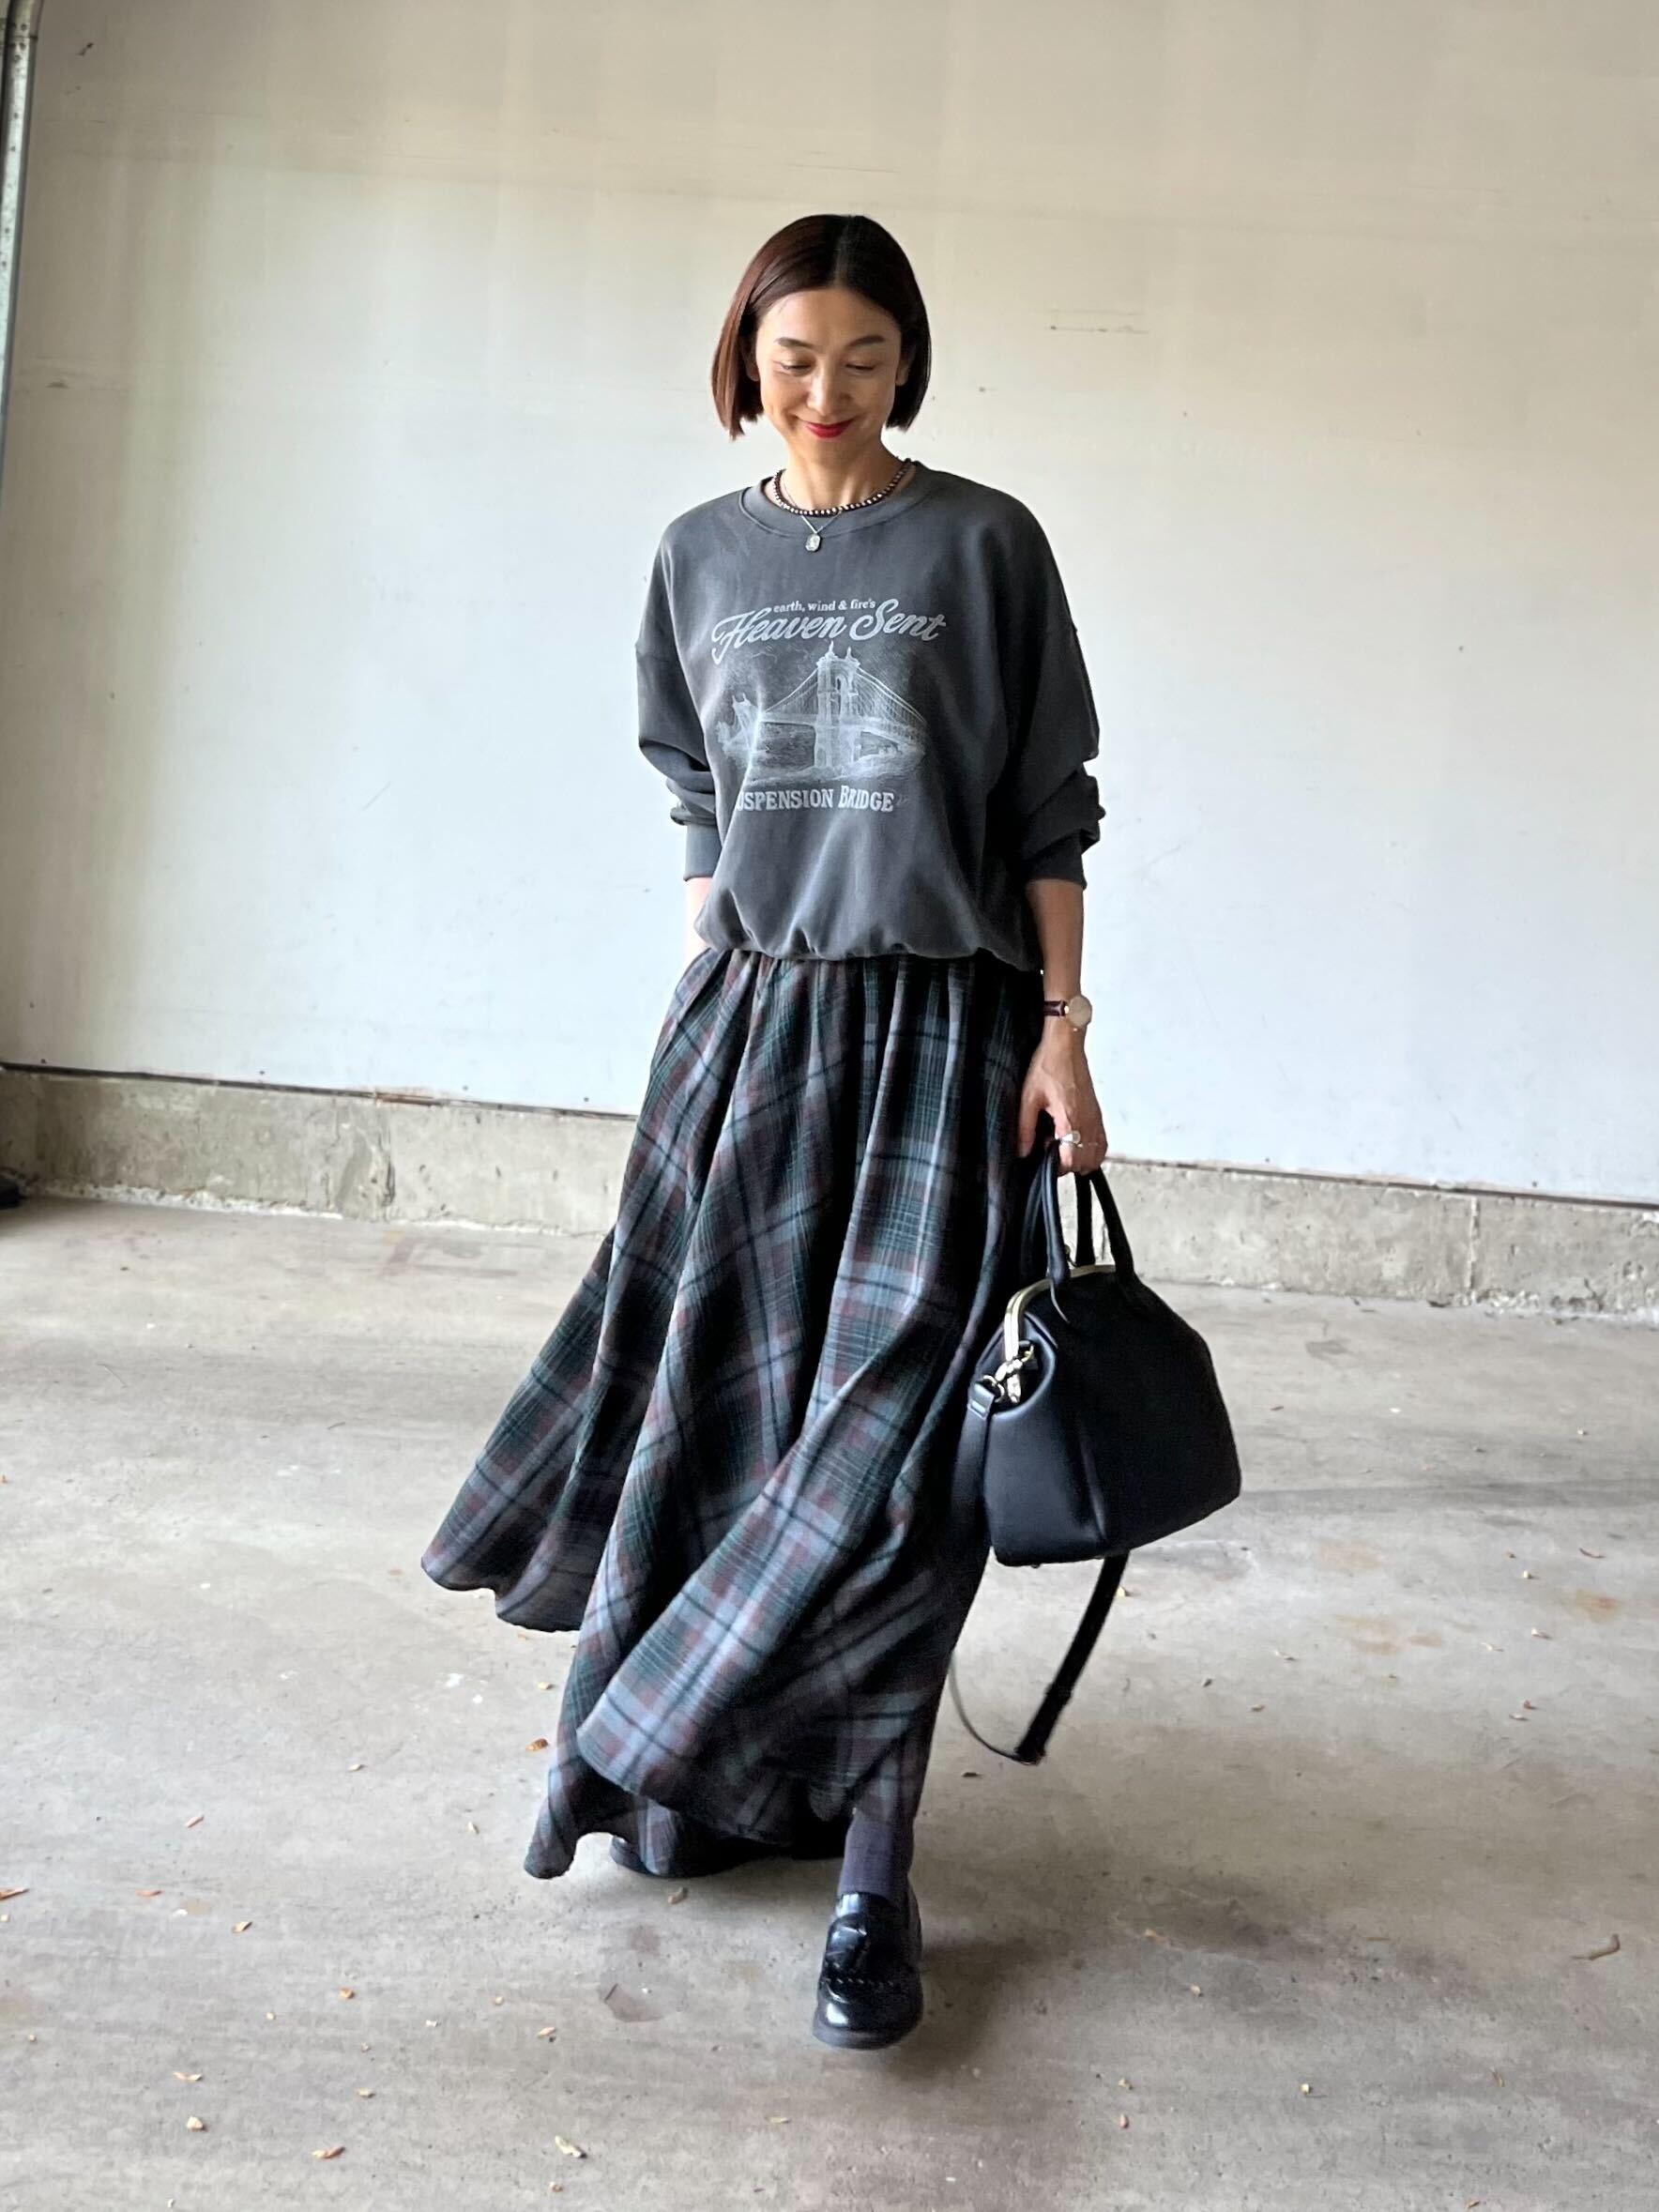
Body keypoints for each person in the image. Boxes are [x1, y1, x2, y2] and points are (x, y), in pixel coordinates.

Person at [421, 210, 1109, 2052]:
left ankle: (876, 1875)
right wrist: (707, 978)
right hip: (752, 1032)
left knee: (891, 1475)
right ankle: (695, 1778)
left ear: (909, 366)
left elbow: (1048, 810)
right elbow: (697, 797)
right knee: (719, 1431)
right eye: (795, 358)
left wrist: (1061, 1033)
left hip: (945, 1033)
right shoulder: (695, 555)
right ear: (746, 363)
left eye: (865, 360)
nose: (827, 391)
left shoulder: (984, 543)